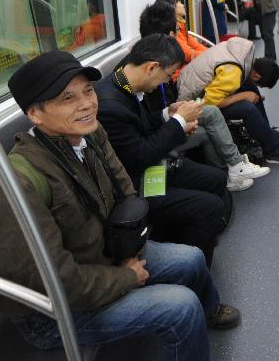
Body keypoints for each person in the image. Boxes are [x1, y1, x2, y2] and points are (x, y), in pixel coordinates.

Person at [0, 50, 240, 359]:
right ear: (35, 114)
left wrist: (129, 249)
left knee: (190, 259)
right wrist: (126, 277)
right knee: (180, 307)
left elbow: (124, 189)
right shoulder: (14, 187)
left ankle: (209, 309)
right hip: (53, 312)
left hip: (102, 256)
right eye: (67, 98)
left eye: (88, 90)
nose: (86, 104)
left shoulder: (90, 135)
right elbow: (56, 283)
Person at [95, 36, 232, 265]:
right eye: (168, 76)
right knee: (211, 206)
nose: (164, 82)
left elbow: (139, 126)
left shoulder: (124, 84)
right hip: (132, 184)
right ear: (152, 67)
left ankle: (192, 235)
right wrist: (178, 122)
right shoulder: (111, 105)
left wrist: (167, 114)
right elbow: (139, 157)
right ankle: (192, 266)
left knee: (217, 178)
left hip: (147, 166)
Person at [137, 6, 271, 191]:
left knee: (213, 120)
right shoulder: (145, 82)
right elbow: (145, 137)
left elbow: (157, 113)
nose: (181, 30)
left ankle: (230, 171)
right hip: (159, 140)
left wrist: (170, 112)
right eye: (178, 27)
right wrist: (179, 122)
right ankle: (236, 166)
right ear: (170, 33)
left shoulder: (154, 70)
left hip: (168, 118)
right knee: (216, 114)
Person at [177, 37, 279, 165]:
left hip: (196, 86)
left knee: (250, 88)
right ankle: (273, 151)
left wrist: (249, 94)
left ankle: (266, 132)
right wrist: (243, 96)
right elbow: (210, 103)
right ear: (257, 75)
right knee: (248, 109)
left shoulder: (243, 52)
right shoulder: (234, 71)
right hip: (190, 102)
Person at [155, 0, 207, 67]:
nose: (183, 5)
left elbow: (196, 46)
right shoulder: (173, 30)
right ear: (172, 7)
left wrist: (212, 52)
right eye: (179, 2)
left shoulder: (181, 26)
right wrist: (211, 55)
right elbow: (187, 54)